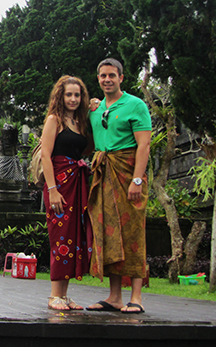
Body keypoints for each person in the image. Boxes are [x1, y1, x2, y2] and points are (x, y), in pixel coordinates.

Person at [86, 58, 151, 314]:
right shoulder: (95, 109)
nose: (107, 80)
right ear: (98, 79)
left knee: (133, 232)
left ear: (121, 78)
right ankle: (114, 297)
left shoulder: (135, 105)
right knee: (109, 232)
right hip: (103, 174)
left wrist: (137, 179)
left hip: (128, 172)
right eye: (103, 76)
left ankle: (136, 297)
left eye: (112, 75)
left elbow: (144, 145)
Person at [40, 76, 94, 311]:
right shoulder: (55, 120)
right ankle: (54, 295)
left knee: (73, 238)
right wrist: (52, 189)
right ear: (60, 97)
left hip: (77, 182)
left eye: (77, 95)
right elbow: (46, 155)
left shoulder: (80, 122)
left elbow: (88, 148)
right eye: (69, 94)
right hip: (59, 183)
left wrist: (94, 112)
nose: (73, 99)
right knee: (60, 237)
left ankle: (64, 294)